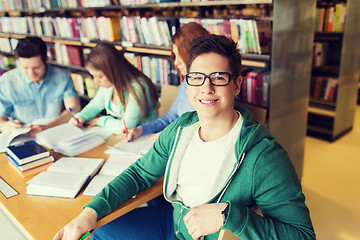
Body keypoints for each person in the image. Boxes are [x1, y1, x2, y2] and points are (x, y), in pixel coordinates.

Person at [53, 35, 316, 240]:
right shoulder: (182, 128)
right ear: (186, 82)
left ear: (236, 84)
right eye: (197, 77)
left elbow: (302, 235)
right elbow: (139, 174)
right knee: (94, 231)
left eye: (219, 77)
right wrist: (90, 212)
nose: (206, 88)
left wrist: (228, 216)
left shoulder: (264, 156)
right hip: (171, 224)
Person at [119, 22, 209, 142]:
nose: (176, 62)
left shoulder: (211, 90)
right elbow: (170, 117)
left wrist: (168, 134)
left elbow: (204, 126)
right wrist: (140, 130)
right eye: (174, 56)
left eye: (179, 55)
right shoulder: (184, 86)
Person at [68, 43, 158, 134]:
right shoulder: (109, 85)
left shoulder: (137, 87)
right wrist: (80, 117)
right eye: (93, 76)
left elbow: (126, 127)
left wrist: (100, 121)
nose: (95, 81)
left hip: (145, 138)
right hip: (125, 138)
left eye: (100, 76)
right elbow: (95, 105)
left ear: (113, 71)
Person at [0, 36, 80, 137]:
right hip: (24, 135)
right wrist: (4, 126)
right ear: (19, 63)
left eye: (36, 68)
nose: (31, 73)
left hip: (55, 131)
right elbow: (1, 115)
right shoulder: (7, 81)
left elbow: (74, 108)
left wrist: (47, 127)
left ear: (46, 59)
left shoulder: (62, 77)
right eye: (25, 68)